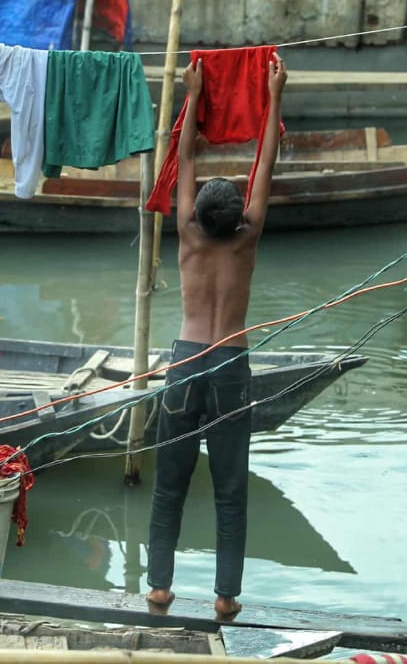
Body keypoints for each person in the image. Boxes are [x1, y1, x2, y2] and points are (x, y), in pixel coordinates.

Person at [146, 51, 287, 622]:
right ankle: (226, 596)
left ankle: (159, 588)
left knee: (169, 485)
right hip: (230, 364)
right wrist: (274, 97)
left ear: (200, 216)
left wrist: (193, 96)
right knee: (230, 489)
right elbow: (264, 164)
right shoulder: (248, 236)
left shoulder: (186, 232)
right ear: (237, 217)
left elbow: (182, 159)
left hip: (184, 362)